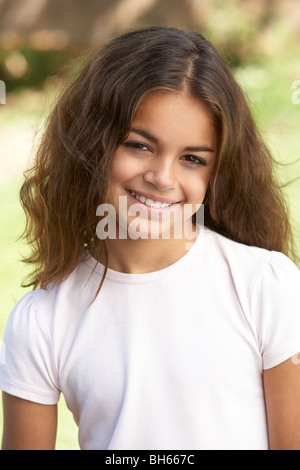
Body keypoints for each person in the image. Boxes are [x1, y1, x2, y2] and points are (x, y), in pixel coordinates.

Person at [1, 26, 300, 451]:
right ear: (92, 144)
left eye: (192, 159)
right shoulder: (42, 320)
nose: (162, 177)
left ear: (216, 174)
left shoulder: (266, 287)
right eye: (139, 146)